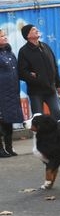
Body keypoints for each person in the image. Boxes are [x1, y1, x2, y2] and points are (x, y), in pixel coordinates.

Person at [17, 24, 60, 121]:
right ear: (28, 35)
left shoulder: (46, 47)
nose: (37, 30)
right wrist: (35, 77)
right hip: (36, 92)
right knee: (39, 119)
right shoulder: (23, 51)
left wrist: (58, 85)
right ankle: (41, 136)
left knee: (58, 115)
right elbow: (22, 72)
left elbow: (54, 67)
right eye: (33, 29)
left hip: (50, 89)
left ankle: (58, 135)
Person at [0, 29, 23, 157]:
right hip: (1, 93)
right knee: (1, 121)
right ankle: (0, 149)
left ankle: (9, 147)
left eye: (5, 35)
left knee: (9, 121)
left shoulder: (9, 52)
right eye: (2, 36)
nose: (5, 37)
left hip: (12, 92)